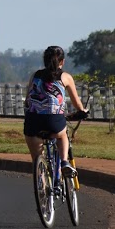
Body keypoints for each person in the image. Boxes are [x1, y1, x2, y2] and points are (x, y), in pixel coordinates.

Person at [23, 46, 88, 183]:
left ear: (45, 61)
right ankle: (64, 162)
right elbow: (77, 103)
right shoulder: (65, 77)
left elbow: (27, 100)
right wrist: (83, 111)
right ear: (62, 62)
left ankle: (43, 187)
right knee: (62, 134)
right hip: (54, 120)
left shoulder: (35, 75)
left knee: (37, 159)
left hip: (32, 122)